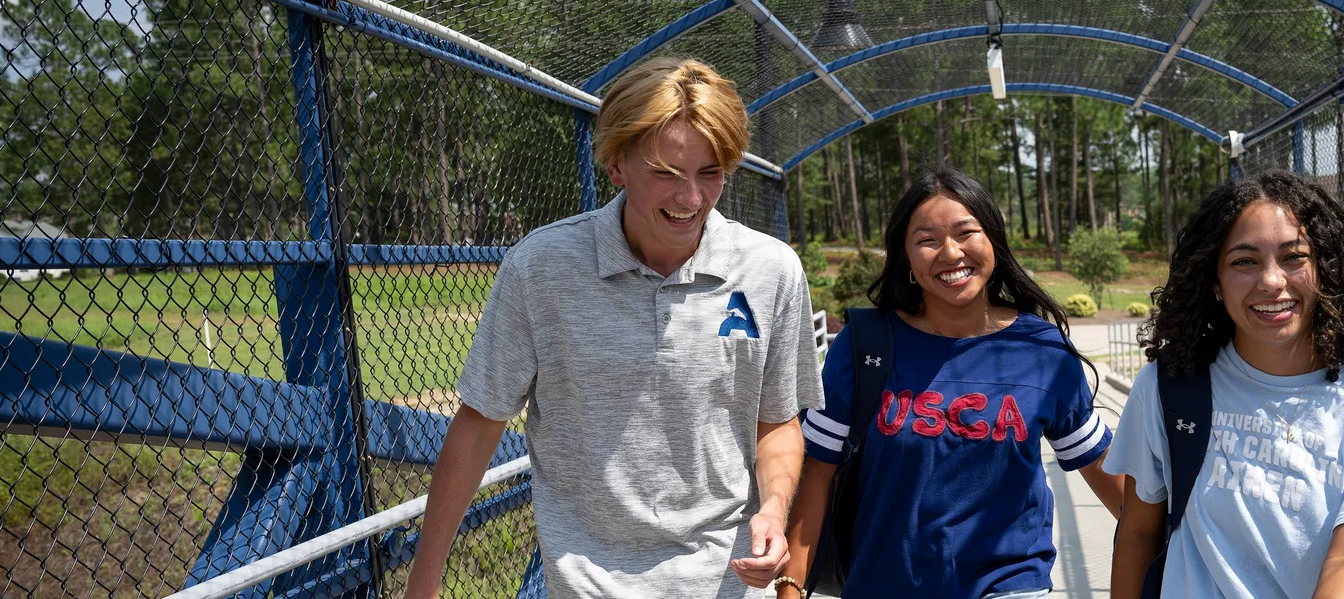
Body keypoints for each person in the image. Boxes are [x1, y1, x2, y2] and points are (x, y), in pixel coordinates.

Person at [404, 58, 822, 599]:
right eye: (665, 173)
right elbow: (481, 421)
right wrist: (425, 576)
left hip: (728, 583)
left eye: (710, 172)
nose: (690, 199)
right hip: (588, 585)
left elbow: (776, 420)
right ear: (616, 164)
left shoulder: (771, 270)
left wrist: (771, 508)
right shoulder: (543, 268)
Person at [773, 168, 1124, 599]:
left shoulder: (1044, 351)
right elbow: (817, 472)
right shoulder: (864, 346)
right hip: (883, 584)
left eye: (966, 232)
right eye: (927, 240)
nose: (951, 253)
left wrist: (1174, 550)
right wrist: (790, 588)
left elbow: (1100, 467)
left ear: (993, 240)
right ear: (905, 258)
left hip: (1009, 583)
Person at [1105, 170, 1344, 599]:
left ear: (1325, 270)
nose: (1272, 281)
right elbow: (1137, 532)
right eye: (1244, 261)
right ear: (1214, 283)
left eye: (1294, 256)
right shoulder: (1168, 387)